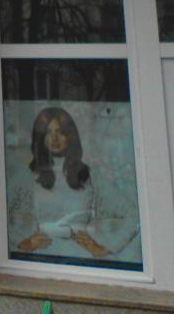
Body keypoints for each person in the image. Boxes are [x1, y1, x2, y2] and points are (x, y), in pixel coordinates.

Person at [17, 107, 111, 258]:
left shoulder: (89, 175)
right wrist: (24, 243)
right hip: (39, 261)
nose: (54, 138)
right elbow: (5, 221)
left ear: (71, 135)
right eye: (48, 132)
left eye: (60, 132)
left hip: (82, 259)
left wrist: (100, 247)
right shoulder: (29, 176)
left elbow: (129, 218)